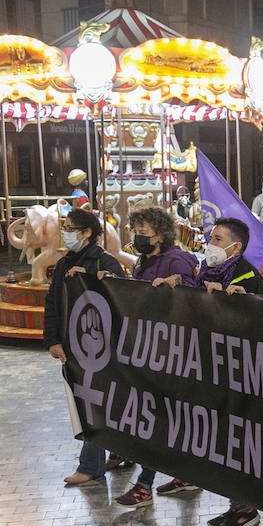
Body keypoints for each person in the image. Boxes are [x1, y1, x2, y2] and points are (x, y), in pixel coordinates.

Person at [152, 218, 263, 526]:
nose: (210, 243)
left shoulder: (247, 277)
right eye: (210, 237)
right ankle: (236, 505)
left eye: (217, 239)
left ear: (236, 247)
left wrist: (236, 300)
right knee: (223, 444)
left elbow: (259, 323)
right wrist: (181, 285)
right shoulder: (208, 270)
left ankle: (246, 509)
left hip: (240, 375)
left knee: (238, 443)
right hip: (213, 369)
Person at [108, 206, 199, 495]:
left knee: (158, 419)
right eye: (135, 231)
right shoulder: (142, 262)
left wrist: (180, 283)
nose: (137, 236)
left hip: (174, 351)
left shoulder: (177, 260)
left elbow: (195, 296)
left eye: (143, 232)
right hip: (148, 348)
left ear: (160, 235)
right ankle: (185, 474)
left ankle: (144, 485)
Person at [44, 208, 125, 484]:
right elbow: (52, 302)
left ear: (86, 233)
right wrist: (52, 339)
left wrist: (92, 280)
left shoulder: (106, 263)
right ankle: (120, 453)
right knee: (94, 403)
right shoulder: (65, 263)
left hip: (101, 350)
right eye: (64, 227)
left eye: (69, 228)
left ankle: (90, 466)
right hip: (71, 345)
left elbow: (121, 301)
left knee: (95, 405)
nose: (65, 233)